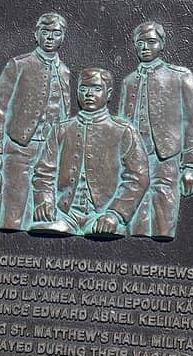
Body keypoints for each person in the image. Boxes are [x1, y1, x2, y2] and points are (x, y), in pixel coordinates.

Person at [32, 68, 148, 238]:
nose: (89, 94)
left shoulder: (124, 131)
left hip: (103, 217)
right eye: (84, 88)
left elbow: (138, 178)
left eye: (96, 88)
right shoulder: (61, 130)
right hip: (64, 215)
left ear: (108, 94)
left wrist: (115, 214)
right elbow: (43, 171)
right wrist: (44, 200)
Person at [118, 20, 193, 240]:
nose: (145, 47)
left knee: (163, 216)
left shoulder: (180, 76)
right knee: (135, 216)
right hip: (133, 158)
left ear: (162, 44)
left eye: (151, 42)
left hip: (166, 157)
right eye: (140, 43)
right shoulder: (129, 82)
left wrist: (191, 166)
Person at [0, 13, 70, 231]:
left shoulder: (65, 72)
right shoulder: (18, 65)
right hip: (20, 149)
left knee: (44, 217)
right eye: (45, 32)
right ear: (36, 34)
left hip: (51, 154)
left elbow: (64, 116)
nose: (50, 37)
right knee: (13, 213)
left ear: (63, 38)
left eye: (56, 33)